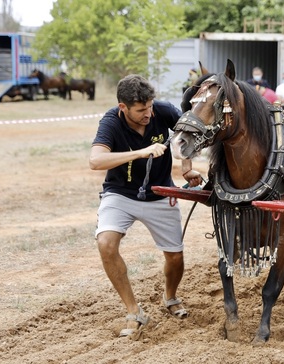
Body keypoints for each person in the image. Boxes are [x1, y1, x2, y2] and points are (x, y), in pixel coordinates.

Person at [89, 74, 203, 340]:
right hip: (120, 194)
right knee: (105, 243)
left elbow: (189, 135)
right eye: (141, 110)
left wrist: (186, 169)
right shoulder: (110, 122)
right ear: (123, 108)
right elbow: (96, 160)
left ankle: (171, 297)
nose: (148, 114)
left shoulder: (163, 112)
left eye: (150, 107)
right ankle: (133, 311)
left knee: (175, 256)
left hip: (159, 193)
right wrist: (139, 153)